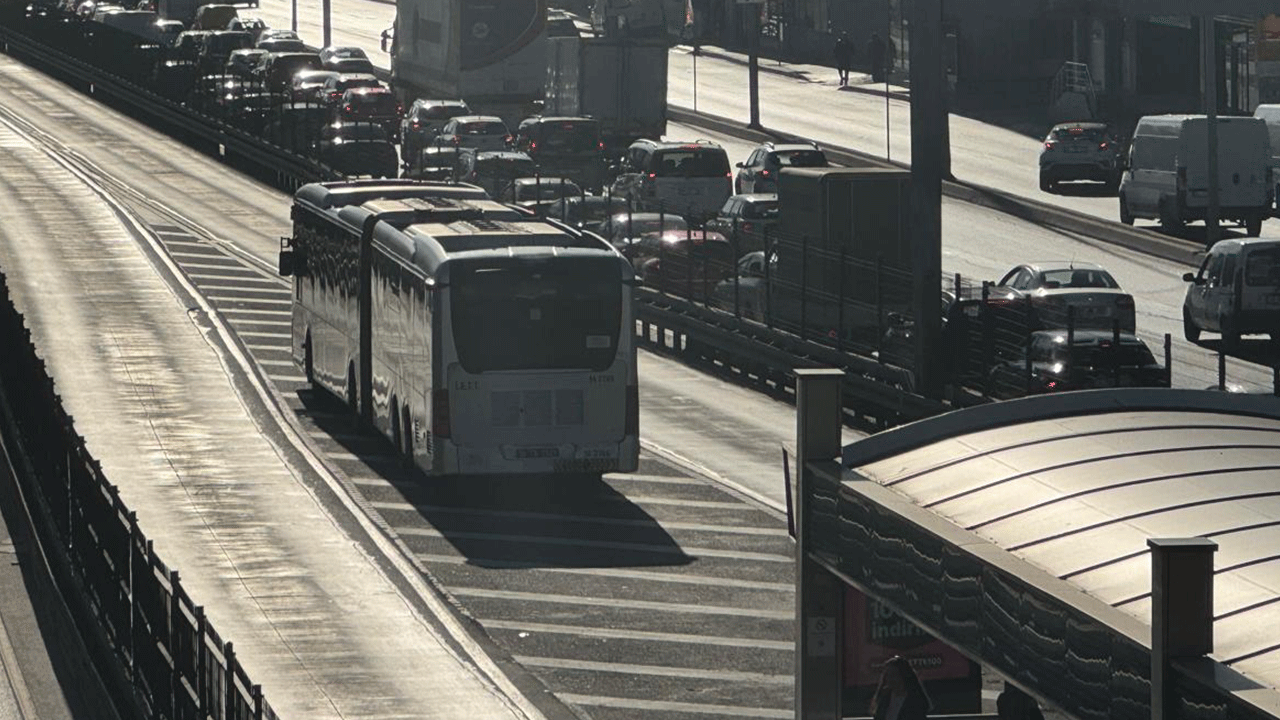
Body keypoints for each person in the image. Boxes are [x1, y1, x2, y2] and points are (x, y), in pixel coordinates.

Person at [870, 656, 931, 720]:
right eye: (887, 675)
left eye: (894, 674)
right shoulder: (883, 700)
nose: (889, 679)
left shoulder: (915, 703)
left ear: (904, 676)